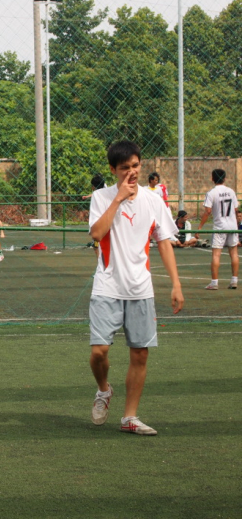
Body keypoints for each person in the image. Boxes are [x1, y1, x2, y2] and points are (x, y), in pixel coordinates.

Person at [88, 140, 183, 436]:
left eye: (136, 166)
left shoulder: (154, 200)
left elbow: (164, 243)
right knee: (99, 352)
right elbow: (96, 233)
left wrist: (176, 284)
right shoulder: (101, 197)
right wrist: (118, 199)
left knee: (140, 354)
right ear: (113, 170)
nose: (132, 172)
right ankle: (104, 390)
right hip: (106, 286)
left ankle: (130, 417)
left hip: (141, 289)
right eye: (125, 167)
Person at [195, 169, 239, 290]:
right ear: (224, 178)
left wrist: (199, 228)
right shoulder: (231, 191)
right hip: (232, 226)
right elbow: (235, 210)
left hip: (220, 226)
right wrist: (236, 223)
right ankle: (234, 281)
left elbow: (208, 211)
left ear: (212, 179)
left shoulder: (212, 193)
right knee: (234, 253)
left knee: (216, 254)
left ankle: (214, 283)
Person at [83, 174, 106, 259]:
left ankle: (101, 264)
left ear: (93, 186)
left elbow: (94, 213)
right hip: (108, 223)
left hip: (99, 225)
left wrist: (92, 229)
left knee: (96, 246)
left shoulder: (96, 195)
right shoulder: (108, 192)